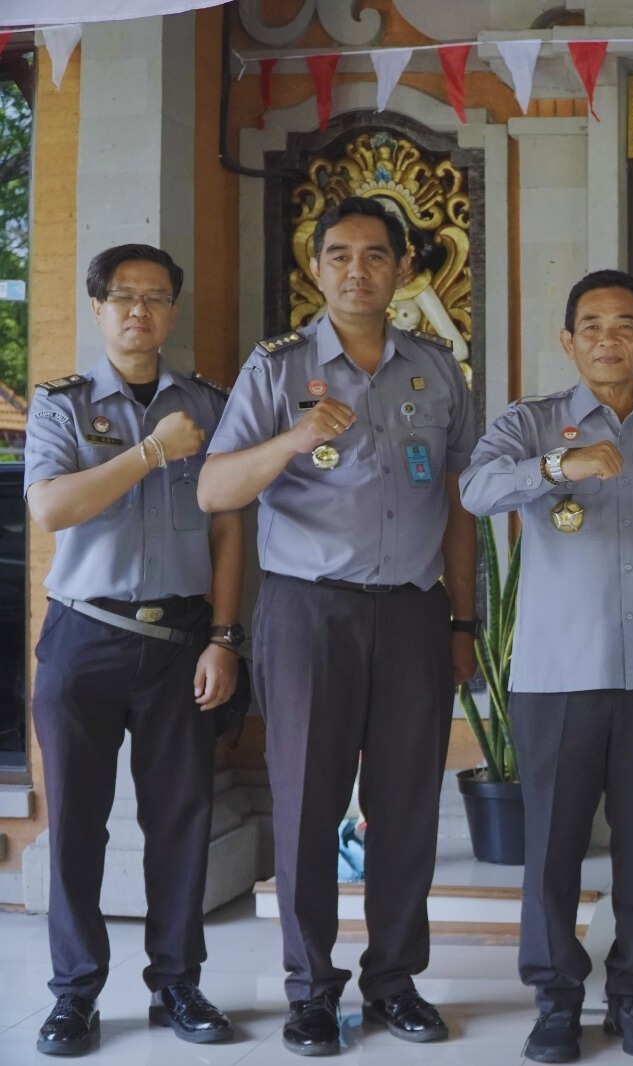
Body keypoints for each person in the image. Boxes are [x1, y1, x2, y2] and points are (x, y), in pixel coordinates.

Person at [198, 196, 478, 1056]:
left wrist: (464, 619)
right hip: (309, 611)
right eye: (341, 255)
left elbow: (460, 504)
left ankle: (394, 981)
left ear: (403, 269)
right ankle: (311, 991)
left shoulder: (438, 368)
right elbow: (214, 489)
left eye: (376, 255)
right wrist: (289, 441)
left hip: (413, 612)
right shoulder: (277, 368)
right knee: (306, 806)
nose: (359, 270)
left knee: (407, 807)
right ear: (316, 268)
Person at [459, 269, 633, 1063]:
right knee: (551, 849)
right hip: (558, 676)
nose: (608, 340)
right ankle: (556, 1002)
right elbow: (476, 489)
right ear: (568, 340)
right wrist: (560, 467)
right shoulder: (531, 422)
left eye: (624, 326)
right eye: (591, 326)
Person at [25, 244, 243, 1055]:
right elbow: (52, 508)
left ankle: (177, 982)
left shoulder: (210, 404)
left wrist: (223, 637)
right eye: (122, 296)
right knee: (76, 824)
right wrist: (151, 450)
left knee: (181, 821)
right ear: (97, 308)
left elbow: (228, 528)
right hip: (84, 635)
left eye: (155, 297)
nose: (138, 311)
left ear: (173, 311)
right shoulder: (62, 406)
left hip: (180, 641)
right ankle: (75, 994)